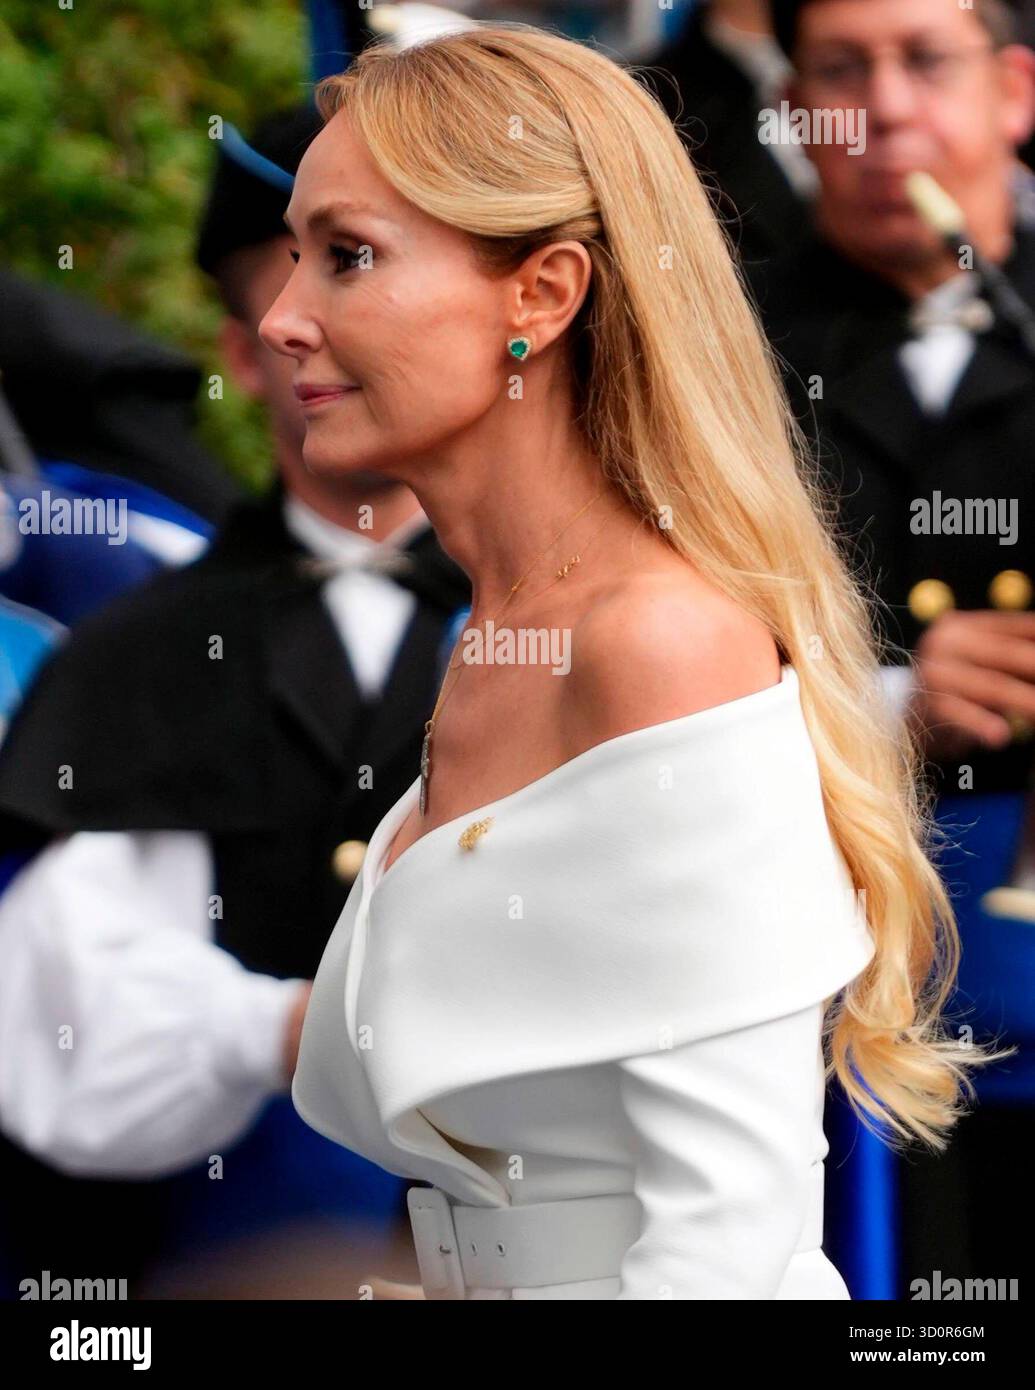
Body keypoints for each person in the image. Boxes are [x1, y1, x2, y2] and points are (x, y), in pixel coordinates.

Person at [264, 22, 1005, 1300]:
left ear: (541, 295)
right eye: (293, 260)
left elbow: (729, 1229)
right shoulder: (502, 634)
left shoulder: (655, 638)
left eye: (349, 258)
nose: (280, 321)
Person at [0, 103, 470, 1298]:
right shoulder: (133, 654)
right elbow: (70, 1024)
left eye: (367, 263)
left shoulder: (600, 616)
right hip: (240, 1261)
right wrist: (296, 1027)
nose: (318, 321)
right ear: (246, 344)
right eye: (295, 280)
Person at [753, 0, 1035, 1287]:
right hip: (831, 965)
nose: (884, 108)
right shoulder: (723, 342)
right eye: (840, 70)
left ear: (1015, 91)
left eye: (927, 59)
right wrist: (886, 697)